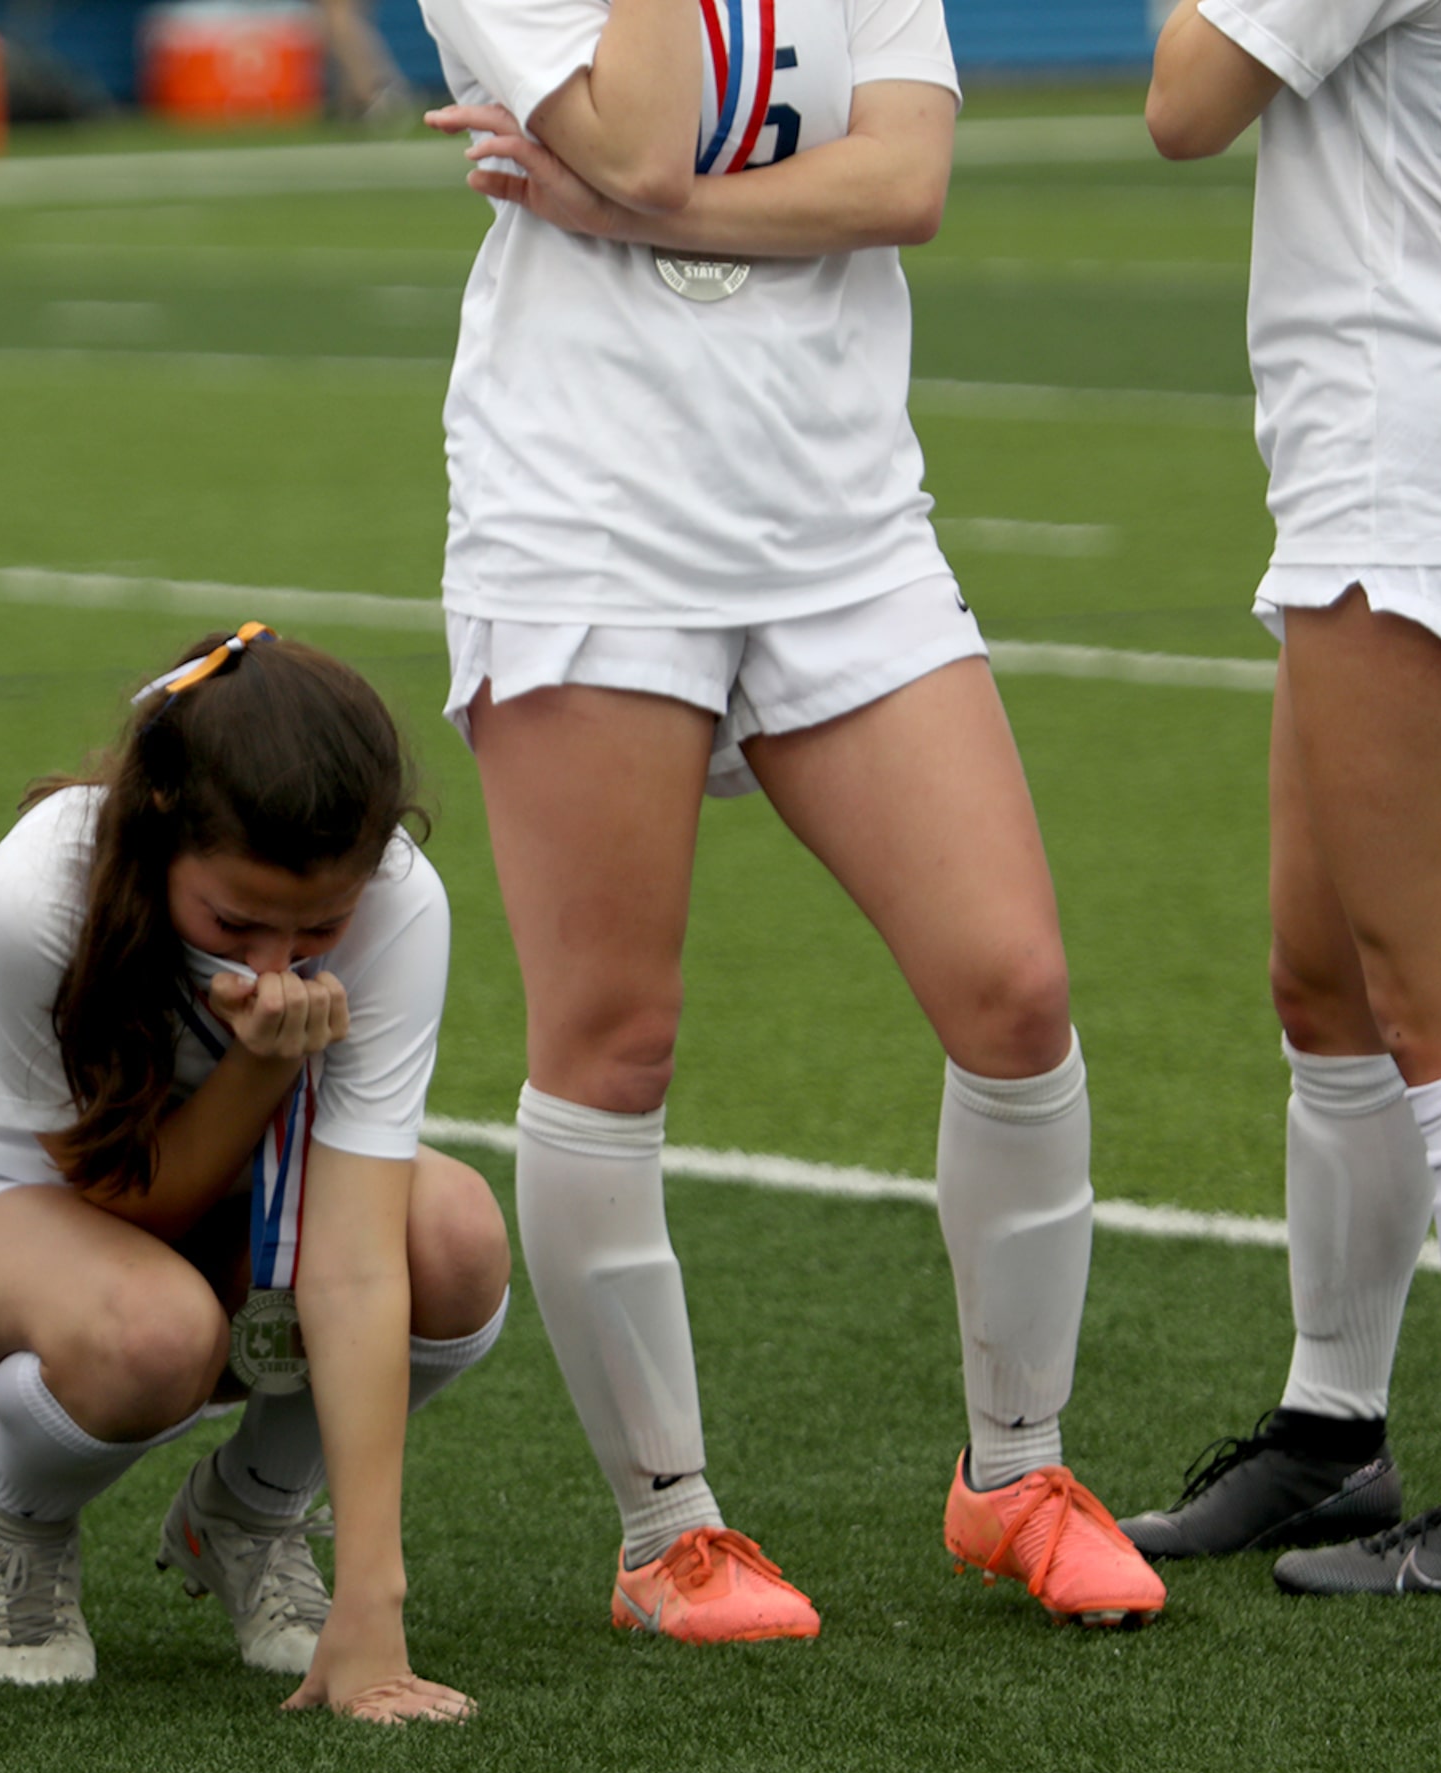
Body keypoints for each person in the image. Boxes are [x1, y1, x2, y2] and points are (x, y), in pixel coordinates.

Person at [415, 0, 1166, 1636]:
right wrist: (629, 180)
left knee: (1014, 988)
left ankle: (1017, 1470)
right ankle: (665, 1529)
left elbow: (903, 179)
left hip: (843, 522)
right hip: (589, 515)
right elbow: (633, 123)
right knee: (612, 1036)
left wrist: (624, 211)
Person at [1121, 0, 1441, 1592]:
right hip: (1425, 448)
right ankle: (1331, 1427)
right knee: (1321, 978)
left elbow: (1184, 98)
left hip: (1425, 463)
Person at [0, 627, 510, 1725]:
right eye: (235, 922)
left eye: (319, 927)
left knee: (452, 1237)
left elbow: (353, 1261)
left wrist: (371, 1606)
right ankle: (18, 1523)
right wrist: (261, 1066)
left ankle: (249, 1511)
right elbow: (122, 1198)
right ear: (158, 829)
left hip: (212, 1207)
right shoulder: (39, 894)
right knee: (151, 1331)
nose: (276, 962)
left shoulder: (402, 904)